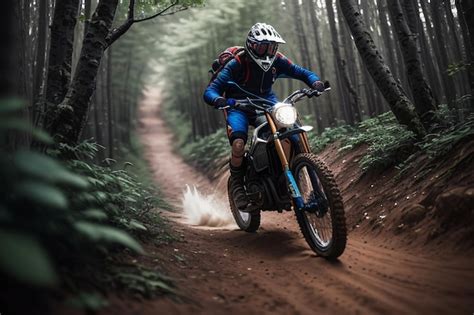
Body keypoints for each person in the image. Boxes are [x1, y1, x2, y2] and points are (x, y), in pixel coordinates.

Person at [203, 22, 325, 211]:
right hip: (238, 106)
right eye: (262, 46)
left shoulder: (277, 59)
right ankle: (237, 184)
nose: (267, 51)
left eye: (271, 47)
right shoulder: (237, 63)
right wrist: (220, 100)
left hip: (267, 103)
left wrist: (315, 82)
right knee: (238, 143)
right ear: (251, 45)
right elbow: (211, 90)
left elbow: (300, 72)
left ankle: (293, 178)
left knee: (290, 133)